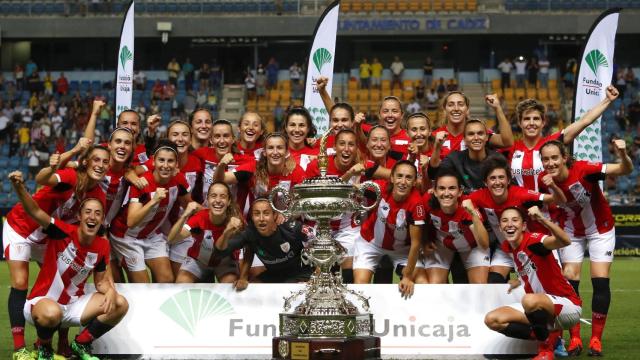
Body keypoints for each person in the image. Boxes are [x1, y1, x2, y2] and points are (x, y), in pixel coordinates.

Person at [9, 171, 129, 360]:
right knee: (51, 313)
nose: (92, 217)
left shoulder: (103, 245)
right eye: (88, 212)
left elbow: (101, 282)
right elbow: (35, 211)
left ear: (102, 219)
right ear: (80, 216)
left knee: (120, 304)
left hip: (73, 306)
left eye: (98, 214)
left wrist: (111, 291)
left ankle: (81, 343)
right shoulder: (61, 231)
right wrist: (19, 187)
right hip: (42, 305)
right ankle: (44, 348)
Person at [538, 139, 632, 356]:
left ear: (564, 158)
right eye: (545, 159)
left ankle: (596, 340)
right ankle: (575, 338)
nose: (550, 163)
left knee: (600, 280)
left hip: (601, 229)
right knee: (570, 282)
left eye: (554, 158)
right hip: (571, 233)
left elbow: (624, 170)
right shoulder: (543, 181)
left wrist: (623, 154)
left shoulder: (584, 170)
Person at [484, 206, 580, 360]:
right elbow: (533, 270)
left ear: (523, 226)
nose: (509, 224)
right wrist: (517, 281)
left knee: (528, 300)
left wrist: (542, 218)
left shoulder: (534, 240)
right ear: (500, 227)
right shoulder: (510, 248)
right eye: (504, 220)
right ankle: (550, 340)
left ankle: (545, 350)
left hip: (568, 307)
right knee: (492, 319)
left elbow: (565, 241)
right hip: (542, 308)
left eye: (515, 220)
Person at [468, 155, 566, 283]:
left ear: (508, 180)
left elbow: (559, 200)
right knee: (494, 280)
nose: (497, 182)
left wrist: (553, 186)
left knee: (545, 283)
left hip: (529, 247)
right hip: (505, 248)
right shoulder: (478, 197)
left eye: (501, 177)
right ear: (485, 182)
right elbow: (456, 200)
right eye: (492, 178)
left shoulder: (521, 194)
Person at [506, 86, 619, 192]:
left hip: (552, 210)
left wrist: (607, 100)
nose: (531, 123)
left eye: (536, 119)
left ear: (543, 122)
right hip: (519, 211)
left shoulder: (552, 142)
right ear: (519, 123)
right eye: (526, 119)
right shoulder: (509, 147)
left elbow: (584, 121)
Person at [108, 141, 192, 283]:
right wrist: (154, 201)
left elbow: (190, 205)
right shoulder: (143, 183)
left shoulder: (179, 180)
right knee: (142, 285)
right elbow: (131, 221)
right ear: (153, 162)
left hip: (151, 235)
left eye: (170, 161)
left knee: (167, 279)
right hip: (126, 236)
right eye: (161, 160)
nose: (165, 165)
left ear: (176, 164)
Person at [353, 161, 426, 298]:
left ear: (415, 182)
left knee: (422, 283)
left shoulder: (416, 204)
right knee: (360, 286)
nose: (403, 182)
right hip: (370, 243)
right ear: (392, 178)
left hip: (402, 250)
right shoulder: (380, 188)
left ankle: (413, 318)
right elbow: (354, 188)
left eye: (408, 177)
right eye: (399, 176)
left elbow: (416, 244)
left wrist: (407, 276)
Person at [214, 198, 314, 287]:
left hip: (300, 273)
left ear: (274, 215)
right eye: (257, 214)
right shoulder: (250, 233)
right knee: (252, 288)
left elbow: (320, 240)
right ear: (252, 217)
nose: (261, 219)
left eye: (266, 213)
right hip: (274, 274)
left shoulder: (291, 226)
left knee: (287, 289)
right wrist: (226, 233)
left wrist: (318, 273)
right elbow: (219, 252)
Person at [423, 169, 490, 284]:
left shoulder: (467, 206)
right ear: (434, 191)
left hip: (471, 247)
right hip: (442, 246)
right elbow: (420, 223)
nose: (446, 193)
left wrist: (473, 213)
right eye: (442, 188)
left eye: (452, 188)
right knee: (434, 286)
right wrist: (425, 240)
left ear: (460, 191)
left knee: (480, 287)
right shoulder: (427, 201)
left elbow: (484, 245)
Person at [167, 183, 243, 283]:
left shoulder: (235, 221)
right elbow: (172, 239)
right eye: (213, 196)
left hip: (224, 261)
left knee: (229, 286)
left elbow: (240, 251)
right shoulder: (199, 218)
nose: (218, 200)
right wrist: (185, 215)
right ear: (207, 199)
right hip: (199, 260)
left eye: (223, 196)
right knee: (182, 282)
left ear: (229, 201)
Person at [431, 92, 513, 159]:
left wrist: (497, 108)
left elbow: (507, 142)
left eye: (460, 104)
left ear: (467, 110)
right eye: (451, 104)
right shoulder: (434, 137)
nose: (456, 108)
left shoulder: (478, 134)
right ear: (445, 110)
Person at [429, 119, 502, 193]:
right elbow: (434, 174)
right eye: (471, 134)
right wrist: (437, 146)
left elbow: (508, 185)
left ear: (486, 137)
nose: (476, 138)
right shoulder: (455, 159)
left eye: (480, 133)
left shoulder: (498, 160)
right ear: (464, 139)